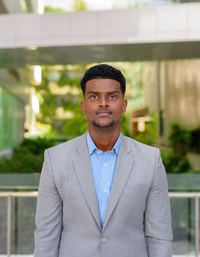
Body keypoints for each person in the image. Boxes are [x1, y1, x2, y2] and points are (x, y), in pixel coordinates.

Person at [34, 63, 173, 257]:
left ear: (124, 105)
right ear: (84, 106)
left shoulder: (150, 160)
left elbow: (159, 236)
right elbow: (46, 236)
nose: (103, 103)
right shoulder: (55, 159)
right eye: (94, 96)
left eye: (112, 96)